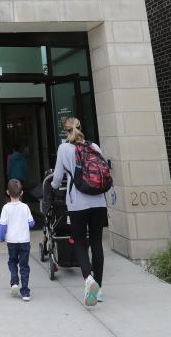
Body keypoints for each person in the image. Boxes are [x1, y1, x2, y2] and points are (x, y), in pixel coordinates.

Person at [51, 116, 108, 307]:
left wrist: (53, 185)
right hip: (99, 202)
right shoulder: (94, 147)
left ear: (66, 131)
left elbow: (57, 178)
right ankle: (98, 289)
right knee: (96, 243)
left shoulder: (64, 149)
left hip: (78, 204)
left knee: (79, 242)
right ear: (81, 128)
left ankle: (88, 279)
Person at [0, 178, 35, 302]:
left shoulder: (6, 208)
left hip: (12, 242)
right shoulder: (25, 207)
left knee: (12, 262)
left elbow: (2, 226)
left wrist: (1, 237)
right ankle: (25, 292)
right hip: (24, 241)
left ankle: (14, 282)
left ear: (7, 192)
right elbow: (32, 223)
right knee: (24, 266)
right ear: (22, 193)